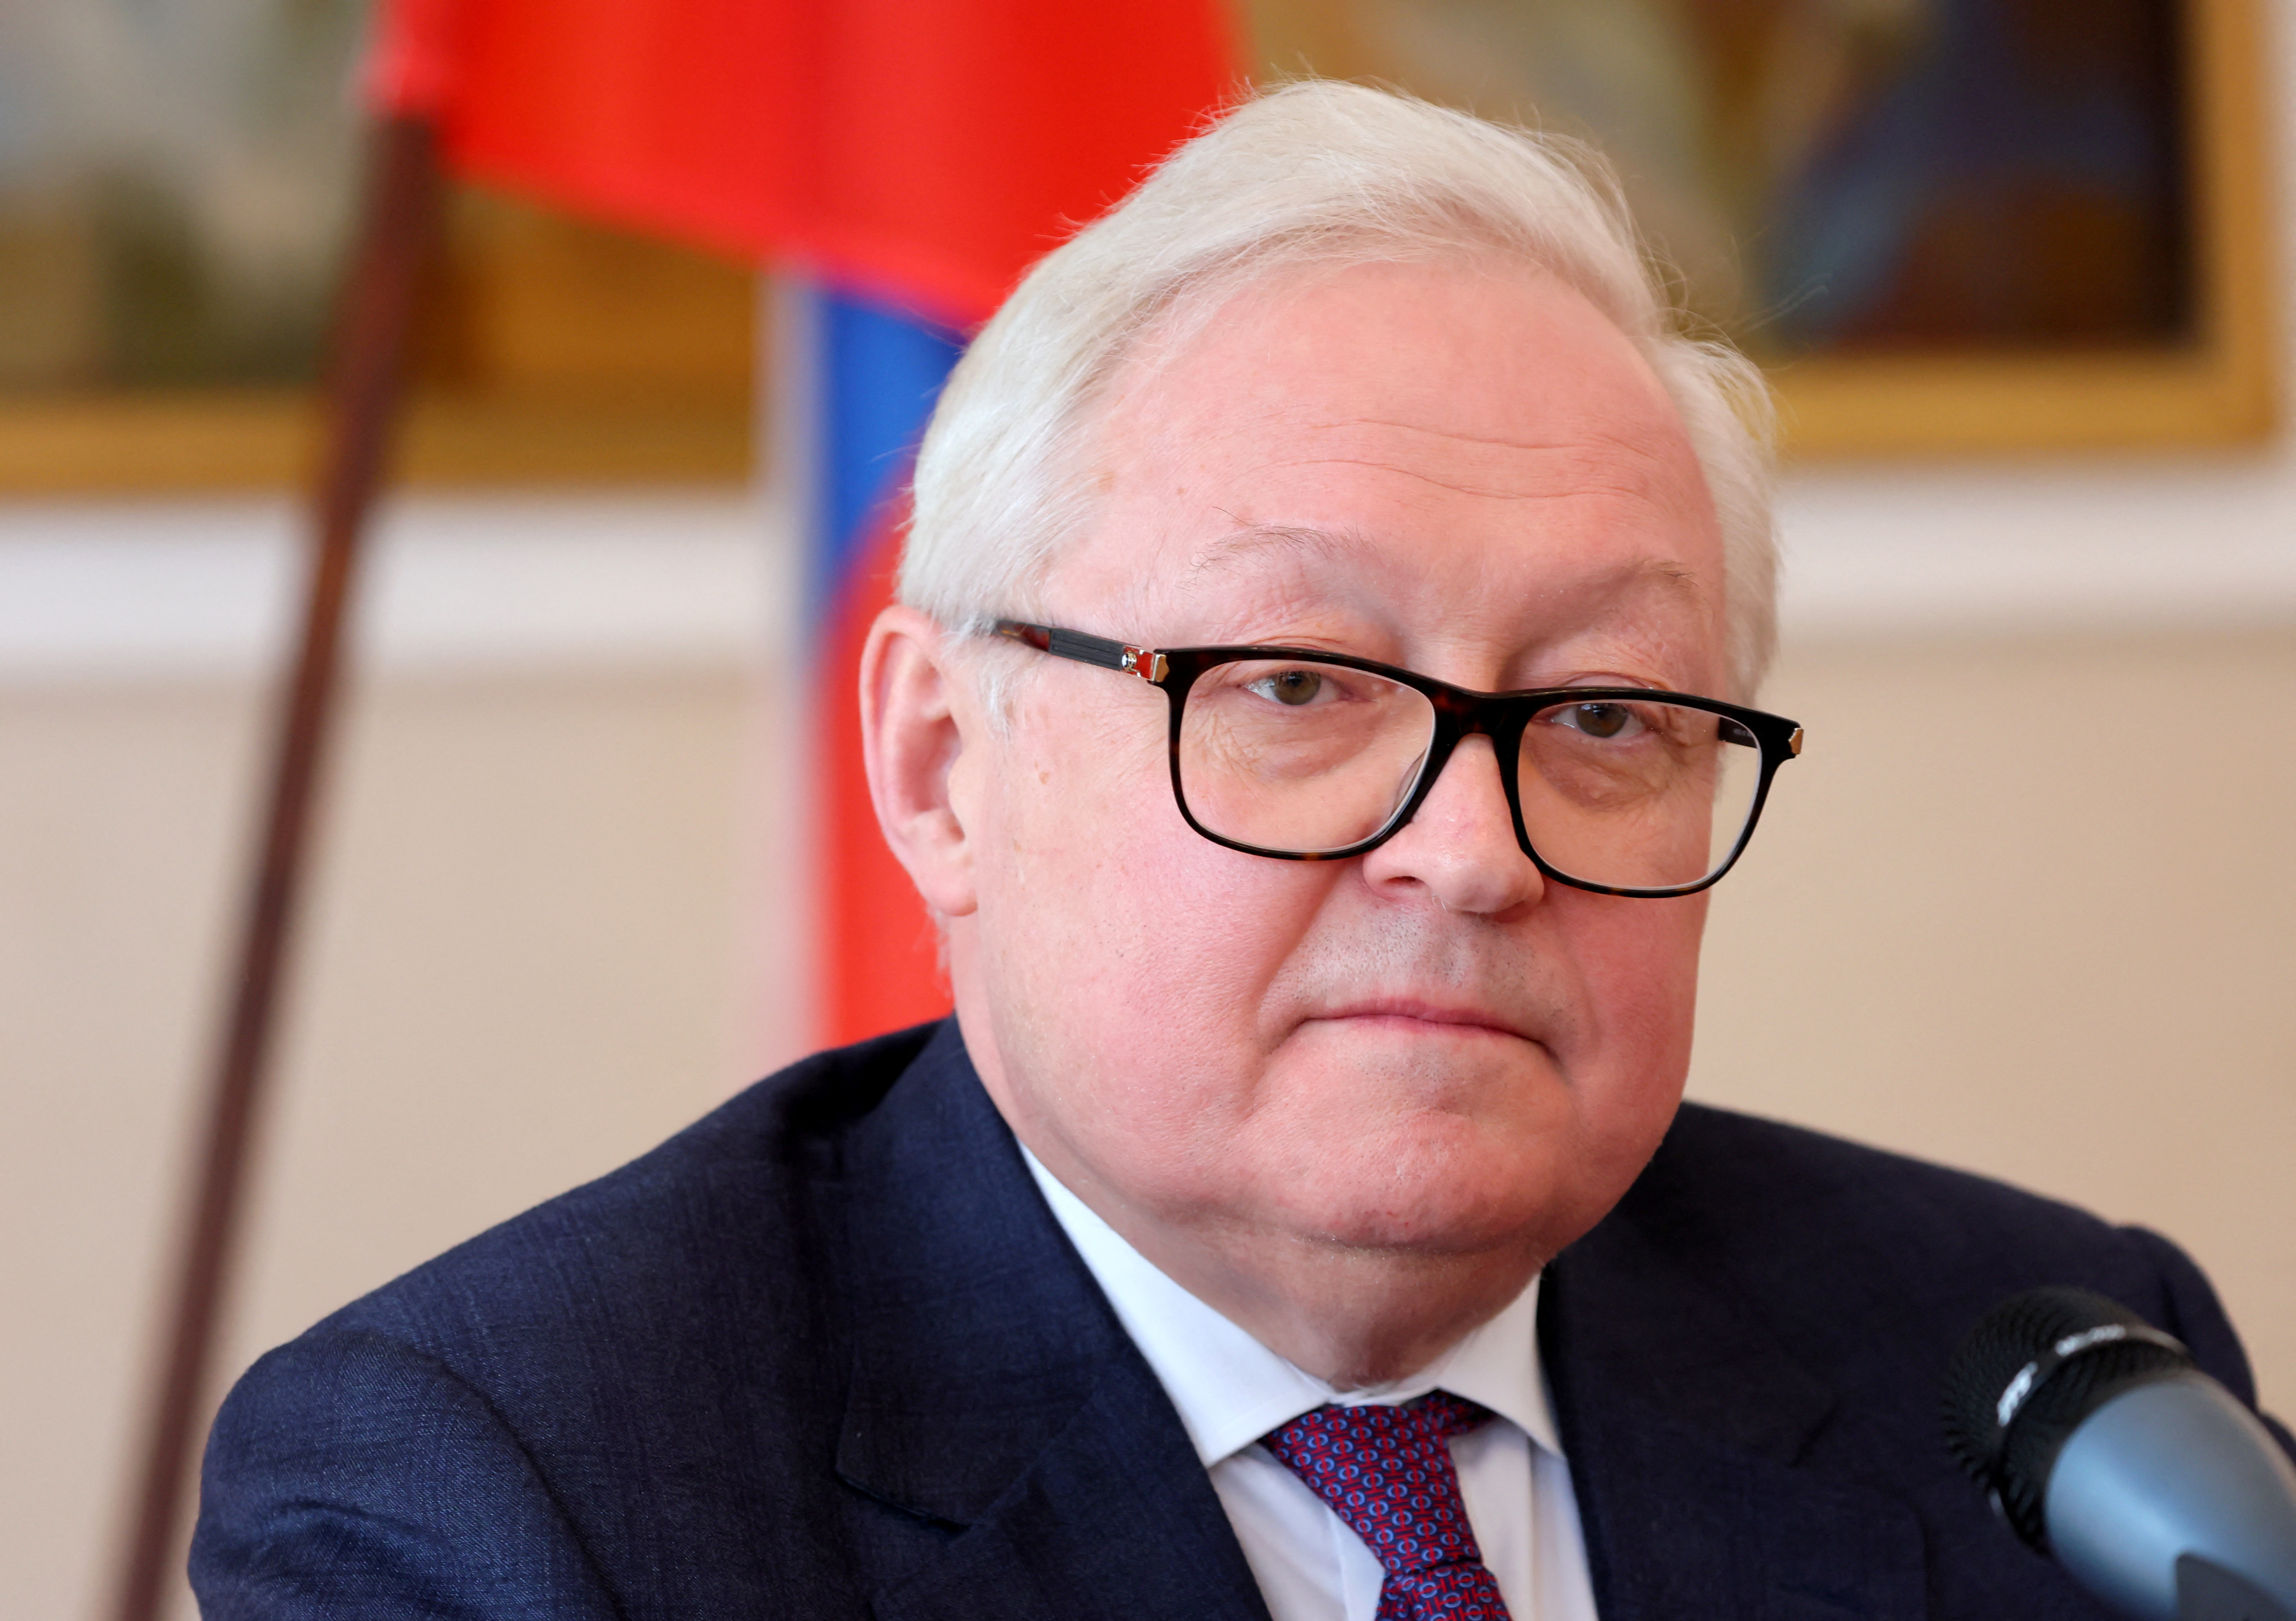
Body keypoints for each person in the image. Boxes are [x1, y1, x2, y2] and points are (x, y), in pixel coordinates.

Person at [192, 82, 2285, 1620]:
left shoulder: (2056, 1400)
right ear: (940, 765)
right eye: (1294, 684)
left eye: (1603, 716)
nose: (1467, 855)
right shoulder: (512, 1495)